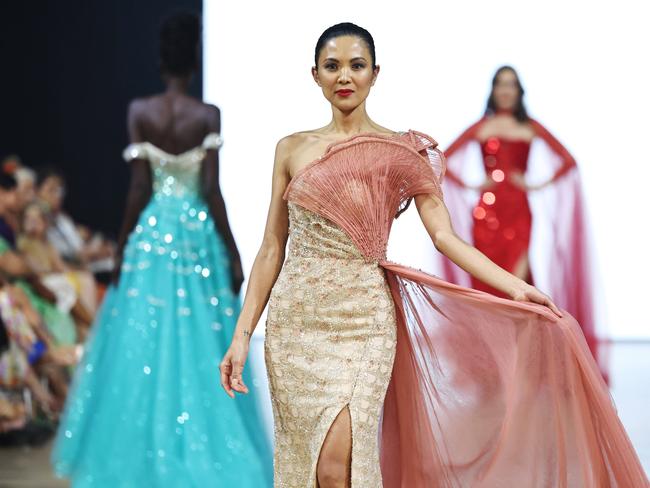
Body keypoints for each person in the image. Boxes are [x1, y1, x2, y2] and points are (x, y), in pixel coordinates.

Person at [220, 22, 647, 487]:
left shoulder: (402, 151)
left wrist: (519, 287)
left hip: (363, 322)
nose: (345, 76)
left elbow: (446, 238)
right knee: (307, 465)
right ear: (315, 75)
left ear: (375, 73)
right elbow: (270, 249)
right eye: (333, 66)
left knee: (339, 463)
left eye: (356, 65)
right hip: (296, 323)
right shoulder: (291, 148)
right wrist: (242, 335)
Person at [52, 12, 272, 487]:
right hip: (196, 236)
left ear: (159, 60)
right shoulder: (206, 115)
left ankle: (145, 450)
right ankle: (198, 446)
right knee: (199, 337)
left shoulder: (140, 111)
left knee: (144, 340)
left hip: (153, 233)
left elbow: (138, 189)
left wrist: (126, 239)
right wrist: (233, 252)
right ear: (193, 62)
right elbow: (211, 190)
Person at [442, 66, 604, 373]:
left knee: (517, 283)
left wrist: (535, 184)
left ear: (519, 91)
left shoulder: (530, 127)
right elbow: (444, 157)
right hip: (486, 216)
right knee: (485, 284)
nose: (505, 90)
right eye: (500, 84)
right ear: (492, 90)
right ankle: (489, 362)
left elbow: (568, 160)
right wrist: (471, 185)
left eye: (511, 85)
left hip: (518, 213)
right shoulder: (482, 126)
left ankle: (522, 361)